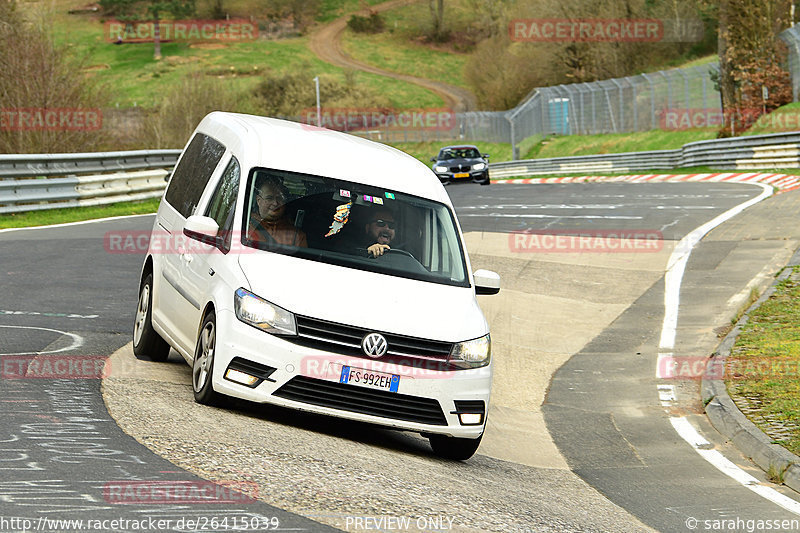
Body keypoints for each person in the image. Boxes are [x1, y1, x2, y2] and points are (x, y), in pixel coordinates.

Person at [248, 175, 307, 247]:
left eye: (279, 198)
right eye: (269, 198)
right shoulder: (244, 224)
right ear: (258, 201)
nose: (275, 203)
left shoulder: (296, 236)